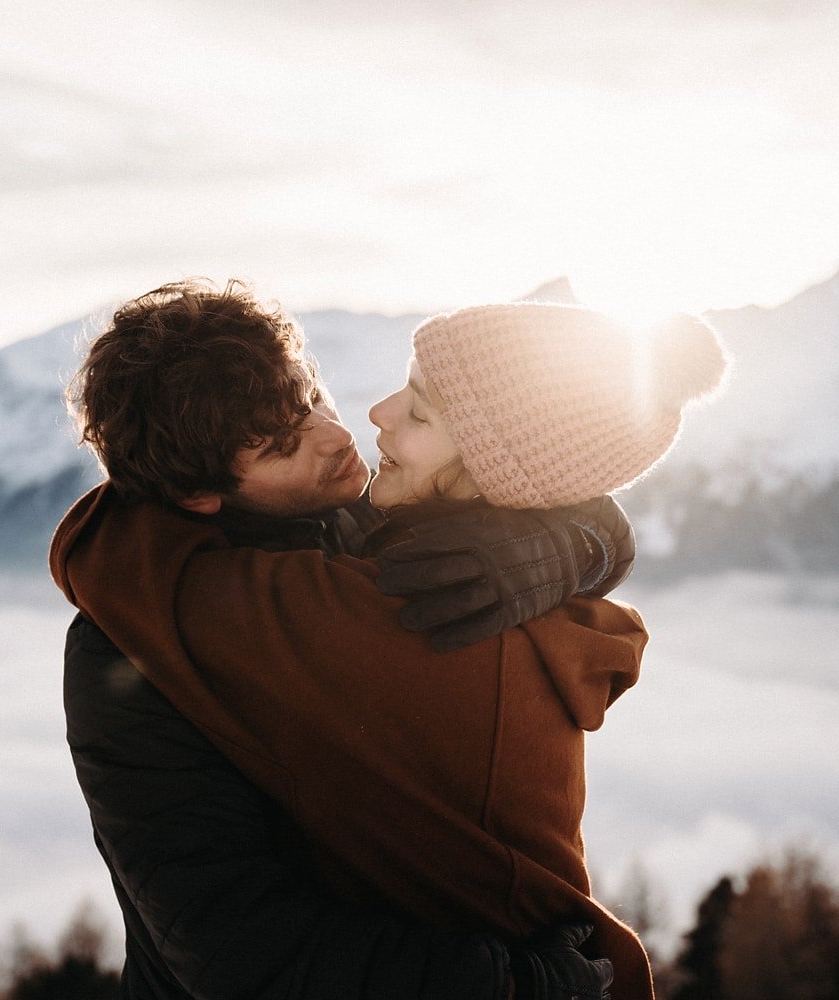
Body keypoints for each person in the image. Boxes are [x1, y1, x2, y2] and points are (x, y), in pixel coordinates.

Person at [53, 286, 729, 999]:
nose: (338, 434)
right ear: (198, 494)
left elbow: (551, 472)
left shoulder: (355, 517)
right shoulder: (126, 656)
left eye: (310, 397)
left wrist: (560, 545)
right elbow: (240, 956)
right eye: (283, 443)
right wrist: (515, 988)